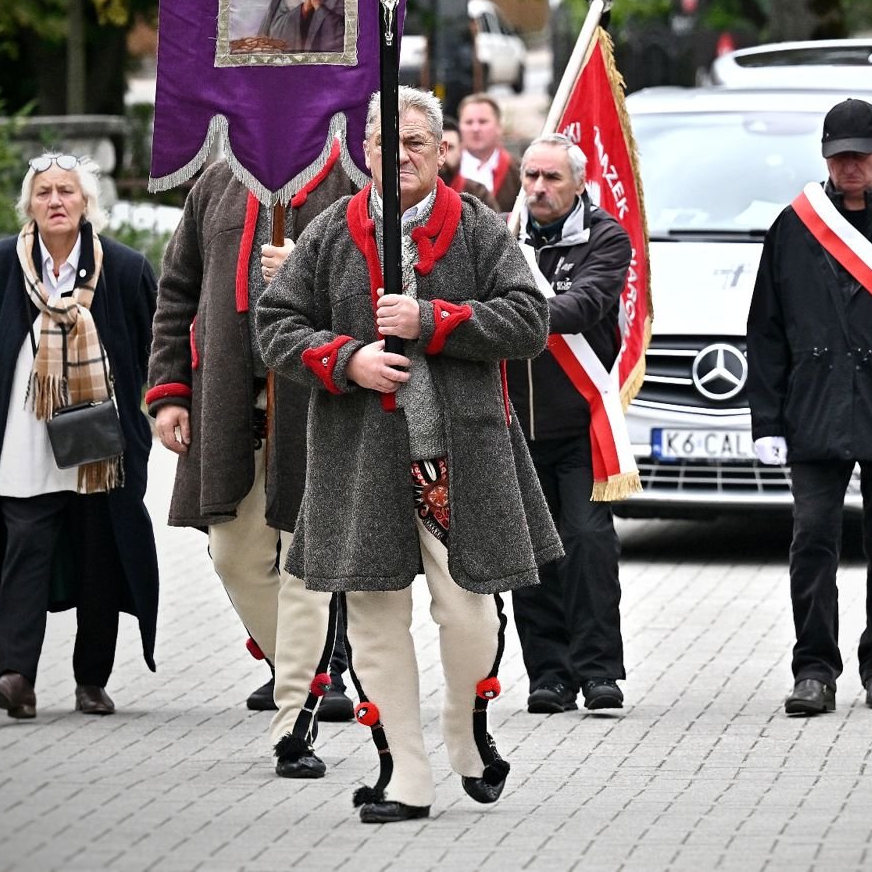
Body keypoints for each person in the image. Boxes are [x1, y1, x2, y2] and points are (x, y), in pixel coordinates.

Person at [256, 86, 561, 823]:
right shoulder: (331, 232)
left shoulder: (476, 225)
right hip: (359, 460)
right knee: (372, 619)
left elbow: (530, 319)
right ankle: (405, 775)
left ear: (441, 151)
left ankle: (463, 725)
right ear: (364, 152)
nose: (399, 156)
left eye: (414, 143)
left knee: (471, 615)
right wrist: (347, 360)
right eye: (385, 144)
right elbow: (275, 324)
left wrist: (433, 320)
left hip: (460, 459)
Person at [144, 149, 356, 779]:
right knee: (234, 556)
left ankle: (293, 723)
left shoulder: (348, 179)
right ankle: (310, 677)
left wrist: (307, 275)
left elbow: (377, 288)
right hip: (228, 406)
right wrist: (169, 392)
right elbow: (177, 291)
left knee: (304, 567)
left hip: (317, 405)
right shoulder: (216, 181)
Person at [746, 98, 872, 717]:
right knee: (812, 541)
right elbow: (766, 330)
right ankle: (814, 670)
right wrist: (766, 420)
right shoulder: (795, 225)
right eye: (839, 157)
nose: (850, 167)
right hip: (813, 407)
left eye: (861, 155)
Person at [0, 152, 160, 720]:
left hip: (99, 444)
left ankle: (91, 682)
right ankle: (16, 679)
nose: (55, 201)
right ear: (29, 204)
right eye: (44, 192)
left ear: (86, 203)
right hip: (22, 442)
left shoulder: (124, 268)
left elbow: (148, 346)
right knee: (22, 553)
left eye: (66, 191)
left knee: (100, 557)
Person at [506, 134, 632, 715]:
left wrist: (506, 313)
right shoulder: (503, 236)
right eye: (531, 176)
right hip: (515, 428)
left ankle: (599, 672)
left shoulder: (606, 238)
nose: (538, 188)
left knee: (586, 543)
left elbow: (584, 306)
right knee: (531, 554)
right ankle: (549, 676)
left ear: (579, 183)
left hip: (582, 426)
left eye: (552, 178)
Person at [458, 93, 520, 212]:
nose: (475, 129)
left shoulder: (517, 171)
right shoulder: (443, 168)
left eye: (483, 122)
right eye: (469, 122)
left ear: (499, 126)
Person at [440, 116, 498, 208]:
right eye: (438, 148)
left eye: (450, 148)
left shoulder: (479, 194)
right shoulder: (418, 194)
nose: (442, 155)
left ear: (461, 149)